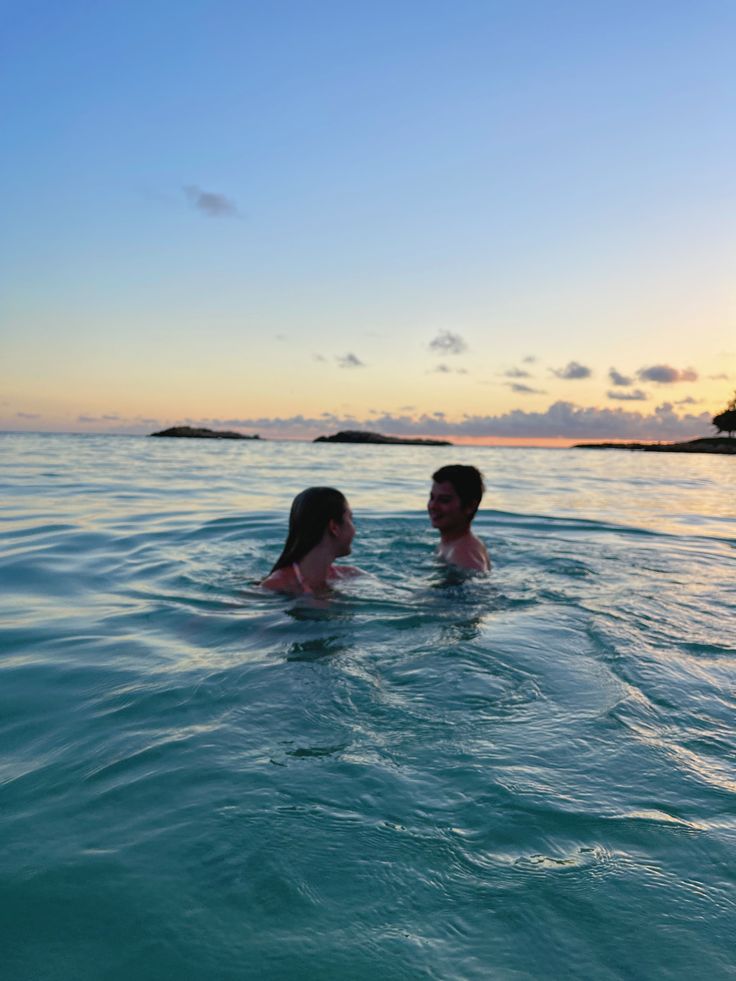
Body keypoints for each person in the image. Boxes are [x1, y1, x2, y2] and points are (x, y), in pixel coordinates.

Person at [261, 486, 358, 594]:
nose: (355, 529)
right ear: (334, 527)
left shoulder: (352, 575)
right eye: (350, 518)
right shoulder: (275, 586)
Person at [428, 465, 490, 571]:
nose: (433, 506)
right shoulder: (456, 545)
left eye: (444, 500)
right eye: (432, 497)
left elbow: (477, 586)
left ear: (470, 506)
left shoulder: (462, 553)